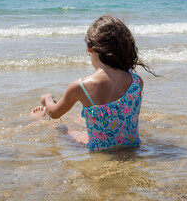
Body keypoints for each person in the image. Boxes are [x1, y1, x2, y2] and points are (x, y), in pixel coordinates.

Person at [31, 15, 156, 151]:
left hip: (99, 150)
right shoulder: (137, 81)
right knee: (100, 120)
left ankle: (38, 120)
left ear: (90, 49)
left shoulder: (80, 86)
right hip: (132, 146)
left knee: (62, 128)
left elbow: (54, 114)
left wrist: (47, 98)